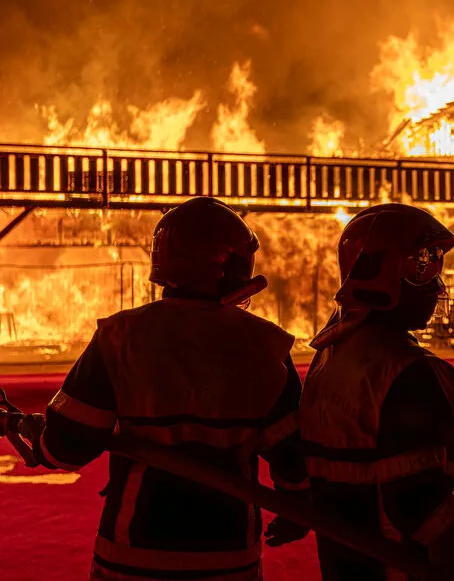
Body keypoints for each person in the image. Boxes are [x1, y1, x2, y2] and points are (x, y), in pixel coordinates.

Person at [37, 197, 307, 581]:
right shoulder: (268, 346)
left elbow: (64, 450)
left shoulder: (119, 335)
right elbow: (293, 463)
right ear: (233, 265)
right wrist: (296, 507)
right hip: (229, 557)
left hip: (132, 555)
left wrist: (35, 439)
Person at [264, 203, 454, 580]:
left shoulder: (328, 356)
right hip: (400, 566)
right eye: (420, 269)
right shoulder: (410, 370)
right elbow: (419, 500)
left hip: (343, 564)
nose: (436, 285)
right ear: (378, 275)